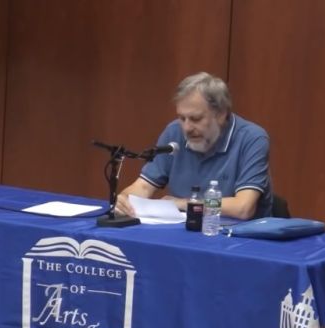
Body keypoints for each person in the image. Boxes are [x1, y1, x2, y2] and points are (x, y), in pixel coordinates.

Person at [115, 72, 273, 220]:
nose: (186, 128)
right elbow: (143, 186)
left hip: (236, 236)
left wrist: (186, 204)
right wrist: (124, 199)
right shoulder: (174, 132)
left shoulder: (252, 139)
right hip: (184, 231)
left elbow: (243, 208)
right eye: (181, 118)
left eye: (195, 119)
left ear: (221, 114)